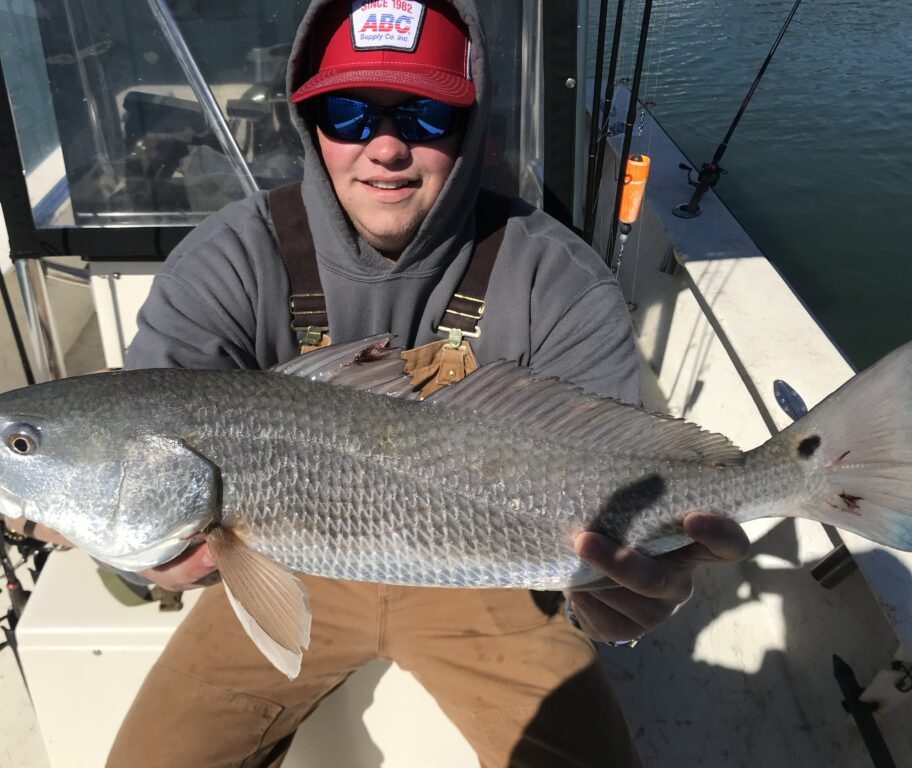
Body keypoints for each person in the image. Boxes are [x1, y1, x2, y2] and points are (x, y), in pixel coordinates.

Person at [99, 0, 751, 765]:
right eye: (348, 112)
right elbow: (136, 441)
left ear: (472, 128)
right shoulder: (228, 258)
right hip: (284, 558)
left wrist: (622, 604)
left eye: (425, 115)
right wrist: (135, 553)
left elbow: (616, 480)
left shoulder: (558, 276)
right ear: (309, 124)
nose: (384, 148)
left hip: (494, 567)